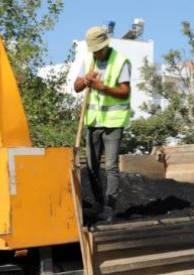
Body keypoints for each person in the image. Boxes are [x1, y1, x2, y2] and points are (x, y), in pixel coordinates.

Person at [73, 26, 131, 222]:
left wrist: (102, 87)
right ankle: (98, 204)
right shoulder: (89, 61)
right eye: (94, 49)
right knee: (90, 166)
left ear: (106, 44)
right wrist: (86, 80)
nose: (96, 52)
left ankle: (109, 207)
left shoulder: (120, 61)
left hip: (113, 123)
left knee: (111, 166)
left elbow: (124, 92)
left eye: (99, 48)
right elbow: (76, 87)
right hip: (93, 123)